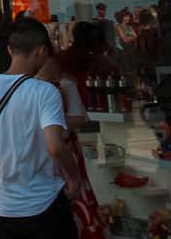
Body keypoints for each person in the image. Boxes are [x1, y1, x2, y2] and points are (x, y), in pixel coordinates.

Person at [0, 16, 81, 239]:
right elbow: (55, 146)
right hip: (46, 205)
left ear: (9, 50)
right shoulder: (45, 92)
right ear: (42, 51)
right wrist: (73, 178)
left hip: (4, 209)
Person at [39, 54, 107, 239]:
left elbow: (78, 118)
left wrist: (51, 123)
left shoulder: (66, 85)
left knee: (75, 197)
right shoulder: (28, 87)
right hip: (41, 153)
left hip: (65, 148)